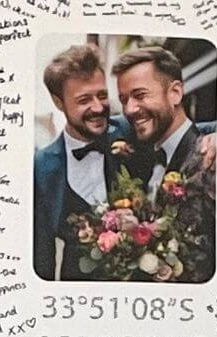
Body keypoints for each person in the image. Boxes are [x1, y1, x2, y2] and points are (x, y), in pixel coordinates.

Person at [113, 46, 217, 282]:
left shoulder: (211, 158)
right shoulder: (146, 157)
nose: (129, 109)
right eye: (124, 100)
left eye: (140, 95)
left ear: (175, 93)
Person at [33, 45, 131, 282]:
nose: (98, 108)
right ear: (59, 103)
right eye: (84, 100)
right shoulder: (41, 167)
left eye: (102, 95)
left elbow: (183, 131)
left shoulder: (130, 131)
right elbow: (41, 257)